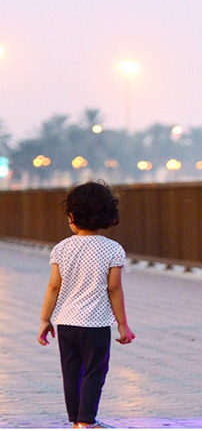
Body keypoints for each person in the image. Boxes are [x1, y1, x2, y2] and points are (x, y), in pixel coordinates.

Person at [38, 181, 136, 429]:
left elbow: (53, 287)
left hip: (67, 323)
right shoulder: (113, 249)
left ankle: (75, 421)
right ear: (106, 215)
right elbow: (114, 289)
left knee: (71, 373)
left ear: (72, 216)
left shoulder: (62, 248)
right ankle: (87, 421)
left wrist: (44, 320)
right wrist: (122, 324)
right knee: (95, 371)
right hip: (96, 324)